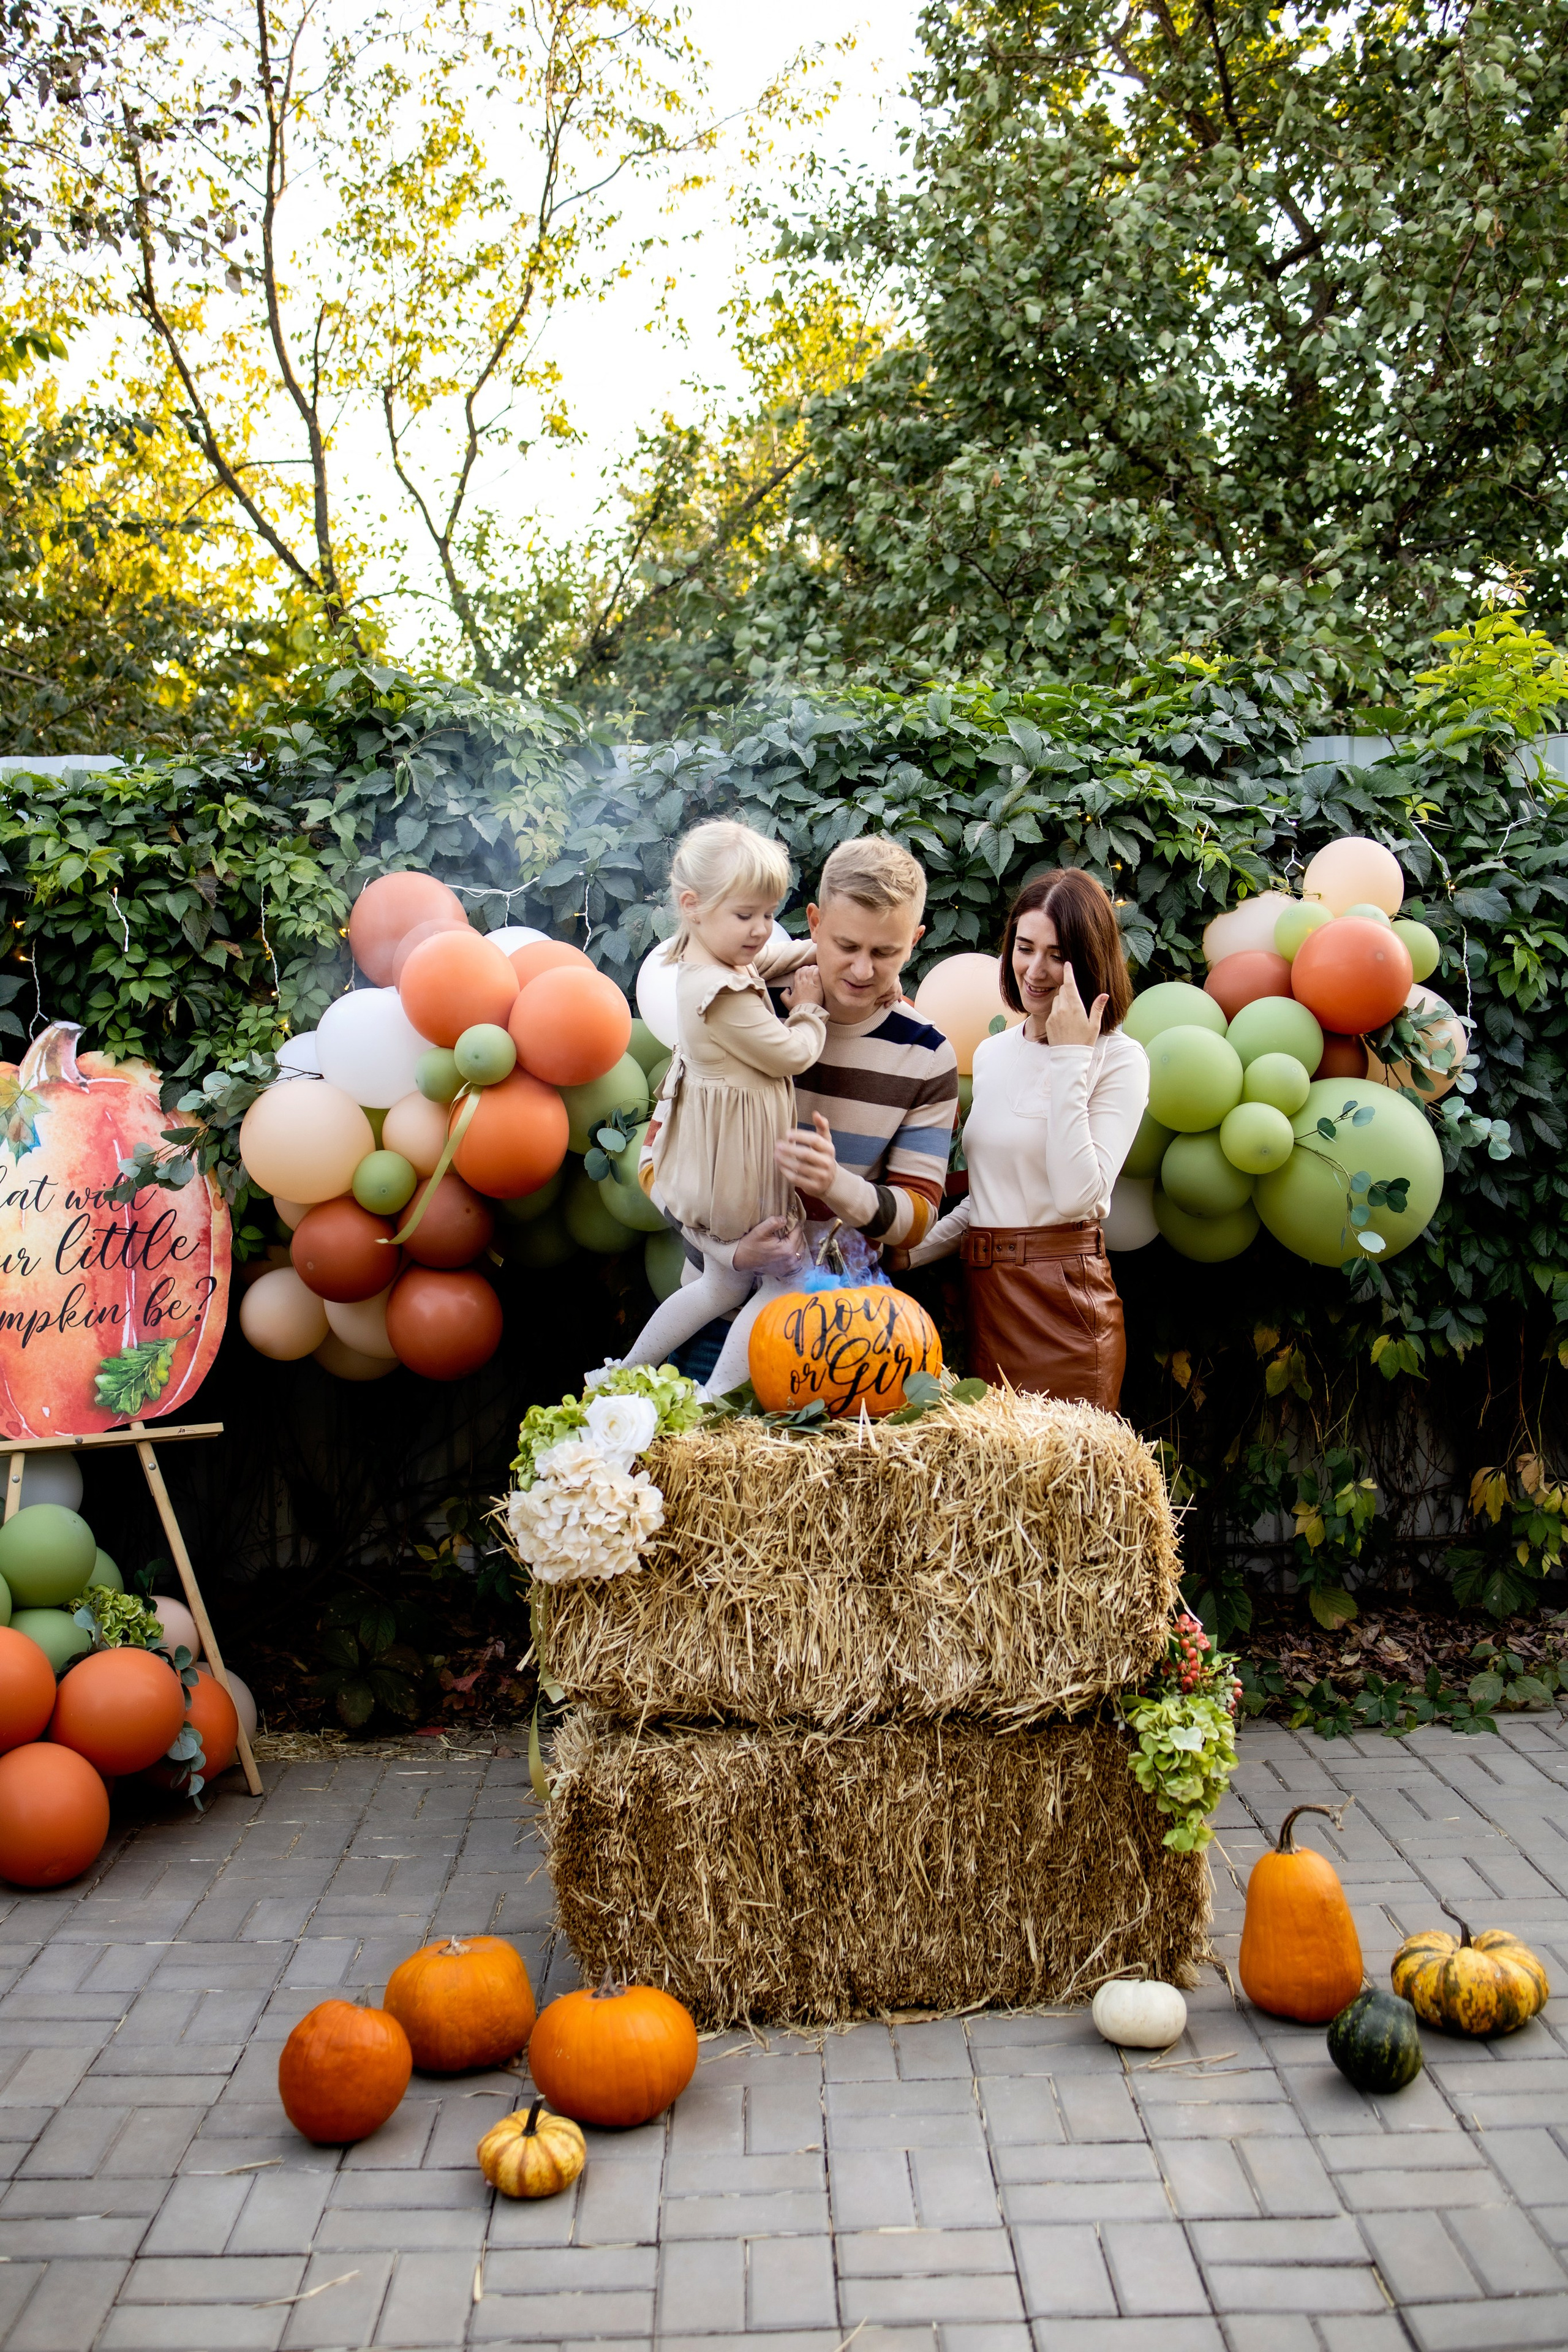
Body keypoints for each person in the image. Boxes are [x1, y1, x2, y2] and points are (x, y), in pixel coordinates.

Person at [696, 835, 960, 1396]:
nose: (863, 969)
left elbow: (918, 1217)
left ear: (915, 941)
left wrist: (838, 1185)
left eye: (886, 953)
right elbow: (662, 1157)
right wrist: (732, 1254)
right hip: (708, 1318)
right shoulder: (741, 1002)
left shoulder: (928, 1055)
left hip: (830, 1343)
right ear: (813, 922)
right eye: (846, 945)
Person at [903, 867, 1148, 1411]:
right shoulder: (993, 1055)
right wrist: (909, 1253)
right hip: (987, 1302)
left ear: (1089, 959)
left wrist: (1070, 1056)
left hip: (1066, 1307)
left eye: (1058, 955)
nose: (1035, 971)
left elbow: (1076, 1198)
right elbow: (989, 1200)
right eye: (1024, 948)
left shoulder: (1120, 1059)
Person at [617, 820, 826, 1372]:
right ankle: (715, 1403)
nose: (761, 930)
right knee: (787, 1281)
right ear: (693, 905)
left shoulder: (707, 960)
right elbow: (791, 1054)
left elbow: (762, 965)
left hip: (718, 1157)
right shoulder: (722, 995)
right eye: (746, 916)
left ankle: (627, 1368)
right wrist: (808, 1008)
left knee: (721, 1287)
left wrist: (816, 950)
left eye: (768, 914)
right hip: (742, 1167)